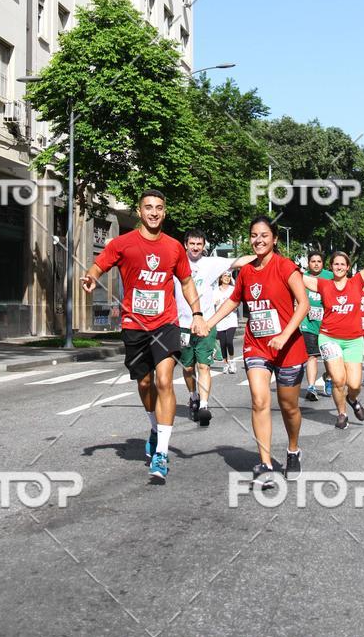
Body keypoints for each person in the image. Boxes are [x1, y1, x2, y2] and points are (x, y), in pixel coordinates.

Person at [81, 190, 206, 482]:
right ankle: (154, 425)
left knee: (164, 380)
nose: (153, 212)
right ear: (139, 211)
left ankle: (161, 452)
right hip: (135, 326)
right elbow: (99, 265)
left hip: (166, 323)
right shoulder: (123, 244)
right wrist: (91, 276)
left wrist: (197, 314)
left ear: (164, 212)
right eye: (148, 207)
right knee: (145, 382)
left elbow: (186, 282)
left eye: (159, 208)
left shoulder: (174, 247)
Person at [199, 216, 309, 485]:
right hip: (256, 345)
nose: (258, 240)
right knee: (260, 401)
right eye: (254, 235)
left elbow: (303, 304)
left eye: (264, 235)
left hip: (288, 347)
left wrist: (284, 335)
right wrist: (209, 322)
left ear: (274, 239)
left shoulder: (286, 267)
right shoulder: (247, 271)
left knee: (289, 406)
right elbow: (233, 301)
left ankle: (293, 449)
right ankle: (266, 463)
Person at [303, 232, 364, 430]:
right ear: (331, 266)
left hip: (354, 340)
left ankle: (353, 400)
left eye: (343, 264)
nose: (339, 267)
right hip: (328, 338)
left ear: (348, 267)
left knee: (354, 384)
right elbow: (295, 277)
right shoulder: (323, 284)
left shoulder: (357, 282)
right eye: (335, 264)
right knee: (338, 380)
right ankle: (342, 413)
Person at [174, 232, 254, 426]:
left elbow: (238, 261)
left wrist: (265, 253)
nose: (195, 247)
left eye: (199, 244)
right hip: (183, 324)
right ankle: (193, 396)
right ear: (185, 245)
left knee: (204, 366)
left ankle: (203, 405)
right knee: (188, 367)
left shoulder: (211, 263)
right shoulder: (176, 263)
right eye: (191, 243)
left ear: (204, 246)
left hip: (206, 323)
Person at [299, 251, 333, 401]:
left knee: (329, 357)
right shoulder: (302, 277)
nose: (316, 264)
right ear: (308, 263)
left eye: (319, 261)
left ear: (323, 263)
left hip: (327, 324)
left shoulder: (330, 276)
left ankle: (329, 377)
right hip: (308, 324)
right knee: (311, 356)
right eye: (313, 261)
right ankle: (311, 387)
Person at [213, 271, 238, 374]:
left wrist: (234, 307)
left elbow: (237, 301)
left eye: (229, 276)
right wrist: (216, 303)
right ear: (221, 278)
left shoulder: (233, 290)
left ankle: (232, 361)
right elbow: (213, 303)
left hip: (231, 318)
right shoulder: (216, 291)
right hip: (220, 319)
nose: (227, 278)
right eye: (225, 276)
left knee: (229, 341)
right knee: (223, 343)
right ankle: (226, 364)